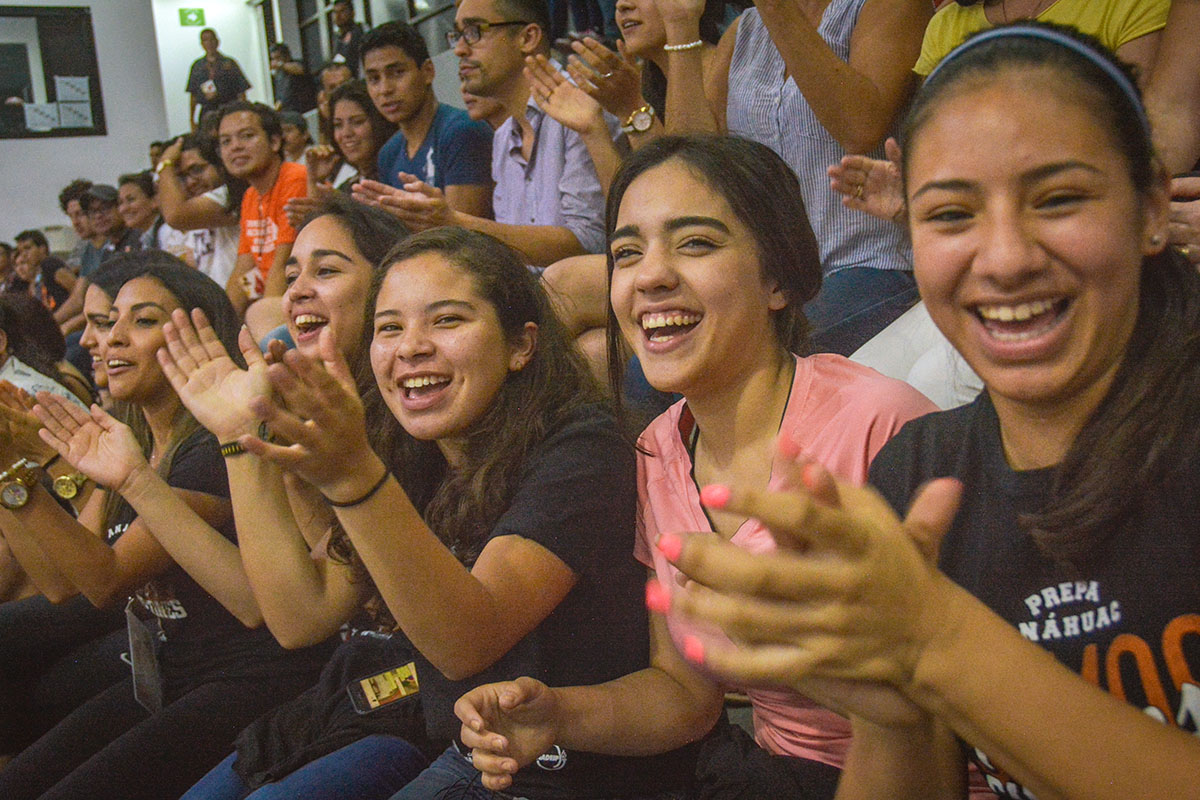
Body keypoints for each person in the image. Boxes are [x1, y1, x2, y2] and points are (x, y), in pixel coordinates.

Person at [630, 25, 1200, 800]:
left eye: (1060, 199)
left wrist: (935, 641)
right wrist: (891, 708)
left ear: (1153, 209)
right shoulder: (922, 468)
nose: (1003, 258)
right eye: (950, 215)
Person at [455, 135, 936, 798]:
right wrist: (559, 714)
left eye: (697, 243)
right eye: (627, 252)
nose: (650, 276)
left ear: (778, 281)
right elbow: (685, 693)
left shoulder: (882, 425)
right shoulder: (657, 450)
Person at [168, 223, 688, 799]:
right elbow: (301, 615)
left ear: (521, 345)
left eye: (446, 320)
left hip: (582, 774)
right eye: (389, 327)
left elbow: (467, 642)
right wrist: (241, 441)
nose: (411, 346)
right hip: (469, 752)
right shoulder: (408, 450)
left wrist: (355, 480)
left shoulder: (583, 446)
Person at [0, 253, 331, 800]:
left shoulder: (209, 451)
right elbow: (63, 583)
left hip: (247, 678)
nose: (109, 340)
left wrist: (26, 472)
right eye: (109, 324)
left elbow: (104, 581)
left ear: (201, 337)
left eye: (144, 321)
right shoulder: (133, 437)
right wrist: (14, 475)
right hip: (173, 667)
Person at [173, 195, 432, 800]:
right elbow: (308, 605)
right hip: (350, 686)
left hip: (423, 713)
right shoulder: (315, 413)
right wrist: (243, 441)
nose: (297, 292)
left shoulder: (424, 415)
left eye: (327, 270)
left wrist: (250, 445)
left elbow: (296, 620)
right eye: (292, 276)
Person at [650, 0, 930, 356]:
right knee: (645, 376)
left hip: (875, 265)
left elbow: (859, 127)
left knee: (750, 354)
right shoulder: (745, 30)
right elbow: (693, 162)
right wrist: (680, 24)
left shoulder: (885, 6)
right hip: (774, 280)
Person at [356, 0, 618, 268]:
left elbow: (593, 244)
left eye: (474, 32)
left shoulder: (583, 104)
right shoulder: (504, 137)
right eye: (457, 36)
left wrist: (455, 223)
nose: (459, 49)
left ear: (527, 38)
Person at [354, 22, 493, 219]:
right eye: (374, 79)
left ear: (428, 71)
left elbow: (464, 240)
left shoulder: (462, 132)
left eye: (397, 73)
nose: (385, 89)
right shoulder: (388, 154)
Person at [215, 101, 307, 337]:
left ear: (275, 142)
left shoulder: (295, 178)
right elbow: (243, 272)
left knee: (260, 313)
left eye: (246, 136)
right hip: (270, 302)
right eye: (226, 141)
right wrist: (220, 327)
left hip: (299, 301)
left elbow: (281, 266)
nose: (235, 147)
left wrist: (268, 335)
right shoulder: (250, 196)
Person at [285, 80, 397, 230]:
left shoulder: (395, 178)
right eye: (338, 125)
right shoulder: (347, 187)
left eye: (357, 122)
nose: (346, 134)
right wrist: (314, 180)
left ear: (379, 122)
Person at [155, 133, 243, 289]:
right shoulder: (195, 210)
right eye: (181, 177)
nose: (190, 182)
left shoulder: (229, 195)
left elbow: (175, 215)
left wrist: (164, 164)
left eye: (196, 170)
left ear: (219, 165)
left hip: (243, 301)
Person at [187, 28, 251, 130]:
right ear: (202, 44)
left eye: (212, 39)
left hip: (228, 110)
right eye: (205, 40)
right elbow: (193, 95)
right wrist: (191, 120)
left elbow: (241, 91)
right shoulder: (197, 66)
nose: (209, 43)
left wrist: (243, 114)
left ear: (217, 41)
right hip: (207, 113)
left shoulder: (229, 64)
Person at [11, 230, 76, 316]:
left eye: (27, 248)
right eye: (21, 251)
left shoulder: (50, 265)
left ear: (42, 249)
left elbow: (77, 291)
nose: (24, 255)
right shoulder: (37, 274)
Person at [117, 171, 164, 250]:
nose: (123, 209)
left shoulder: (170, 232)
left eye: (131, 200)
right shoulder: (132, 240)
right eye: (120, 202)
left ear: (154, 201)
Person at [316, 61, 355, 144]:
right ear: (323, 94)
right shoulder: (325, 114)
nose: (339, 92)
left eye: (344, 84)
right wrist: (328, 119)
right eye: (332, 88)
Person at [270, 43, 317, 114]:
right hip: (288, 111)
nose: (275, 61)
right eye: (273, 59)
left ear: (286, 56)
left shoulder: (298, 64)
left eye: (278, 57)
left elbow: (298, 69)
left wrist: (280, 64)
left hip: (305, 109)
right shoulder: (279, 74)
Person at [331, 0, 368, 77]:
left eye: (342, 11)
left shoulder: (361, 31)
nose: (338, 16)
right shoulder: (337, 38)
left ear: (352, 13)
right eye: (335, 12)